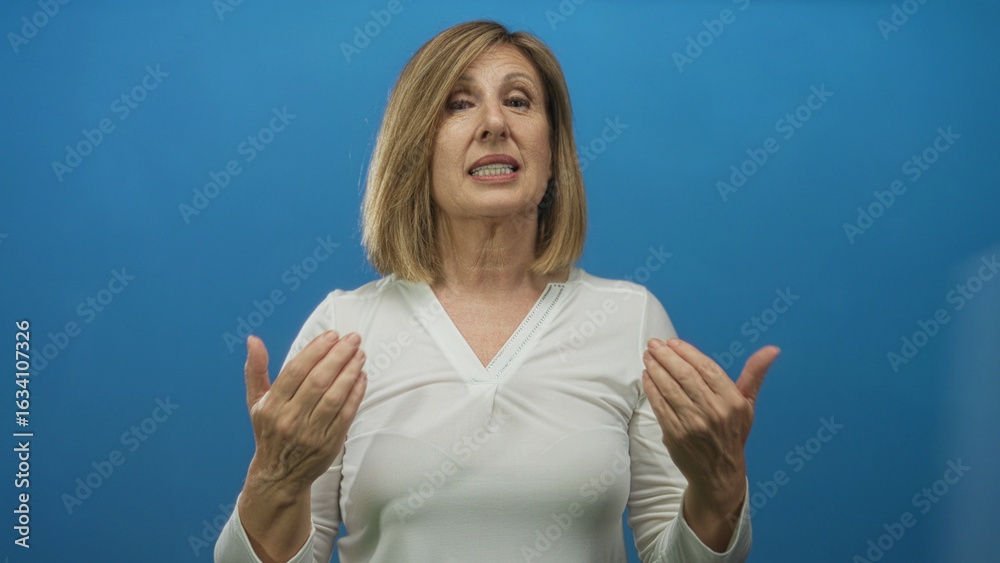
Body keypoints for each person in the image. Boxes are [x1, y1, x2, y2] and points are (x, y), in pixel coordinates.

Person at [215, 20, 779, 563]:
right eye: (459, 103)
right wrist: (274, 478)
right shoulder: (344, 329)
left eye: (519, 101)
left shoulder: (630, 319)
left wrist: (720, 486)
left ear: (553, 151)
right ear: (416, 150)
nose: (493, 123)